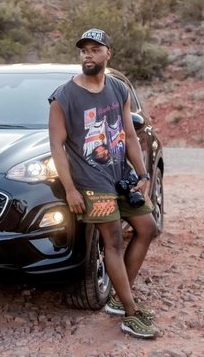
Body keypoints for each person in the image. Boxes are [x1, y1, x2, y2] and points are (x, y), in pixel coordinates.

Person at [48, 28, 160, 339]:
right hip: (89, 181)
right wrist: (70, 189)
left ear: (107, 53)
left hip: (119, 177)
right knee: (112, 240)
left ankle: (117, 297)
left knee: (148, 228)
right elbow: (57, 146)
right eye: (84, 49)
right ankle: (130, 311)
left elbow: (130, 134)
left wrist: (144, 175)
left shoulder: (119, 89)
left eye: (95, 49)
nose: (88, 54)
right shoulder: (64, 97)